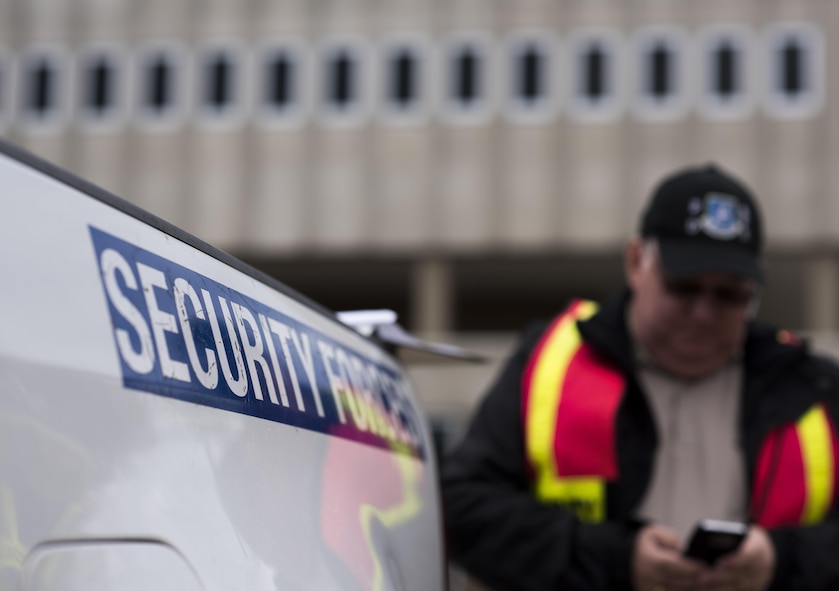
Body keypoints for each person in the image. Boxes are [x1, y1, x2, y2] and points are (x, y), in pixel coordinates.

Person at [441, 164, 839, 591]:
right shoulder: (550, 362)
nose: (703, 312)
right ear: (636, 261)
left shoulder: (808, 385)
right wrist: (616, 560)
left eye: (729, 295)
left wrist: (778, 561)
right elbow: (461, 508)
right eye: (683, 286)